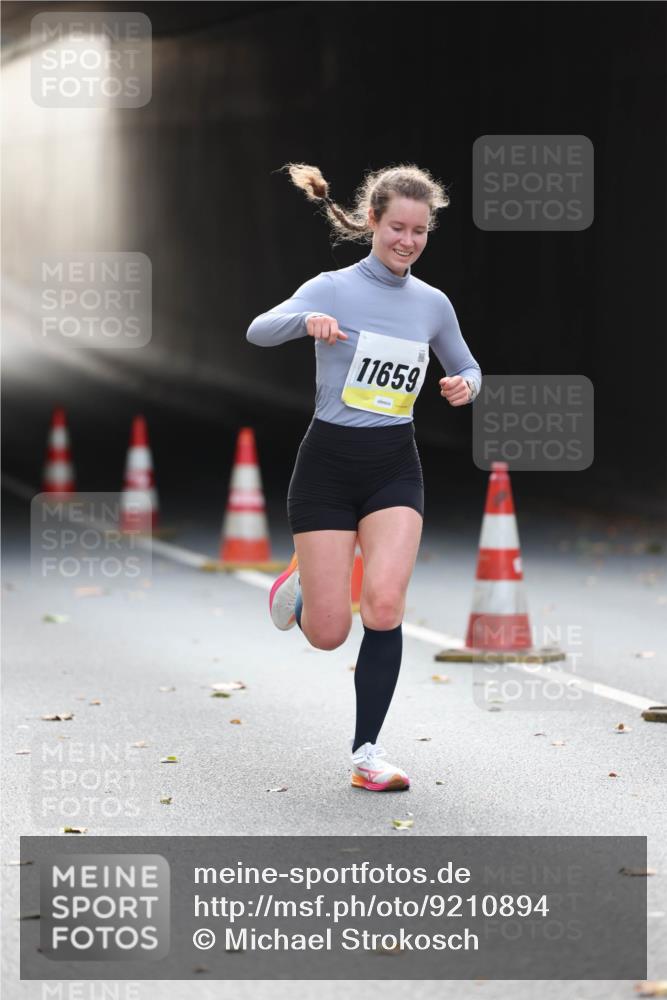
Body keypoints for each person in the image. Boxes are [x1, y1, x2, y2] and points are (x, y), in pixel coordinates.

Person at [246, 163, 481, 792]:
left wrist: (465, 385)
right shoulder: (331, 286)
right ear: (372, 222)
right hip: (326, 466)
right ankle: (295, 584)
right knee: (328, 633)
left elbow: (468, 365)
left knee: (383, 605)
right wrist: (306, 321)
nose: (407, 240)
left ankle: (367, 753)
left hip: (393, 467)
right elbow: (258, 329)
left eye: (419, 231)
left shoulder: (432, 304)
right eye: (397, 227)